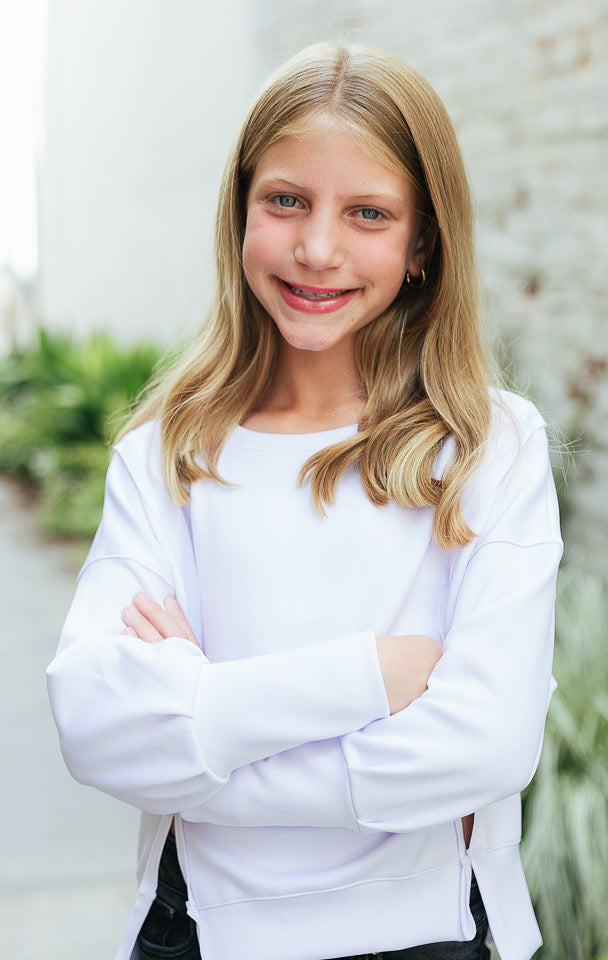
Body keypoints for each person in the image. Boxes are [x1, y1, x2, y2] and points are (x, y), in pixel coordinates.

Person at [47, 42, 562, 960]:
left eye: (368, 213)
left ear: (422, 244)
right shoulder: (166, 452)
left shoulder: (491, 448)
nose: (317, 248)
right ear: (240, 210)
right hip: (199, 934)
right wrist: (370, 675)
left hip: (431, 936)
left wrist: (204, 729)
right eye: (286, 199)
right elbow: (97, 723)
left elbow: (486, 744)